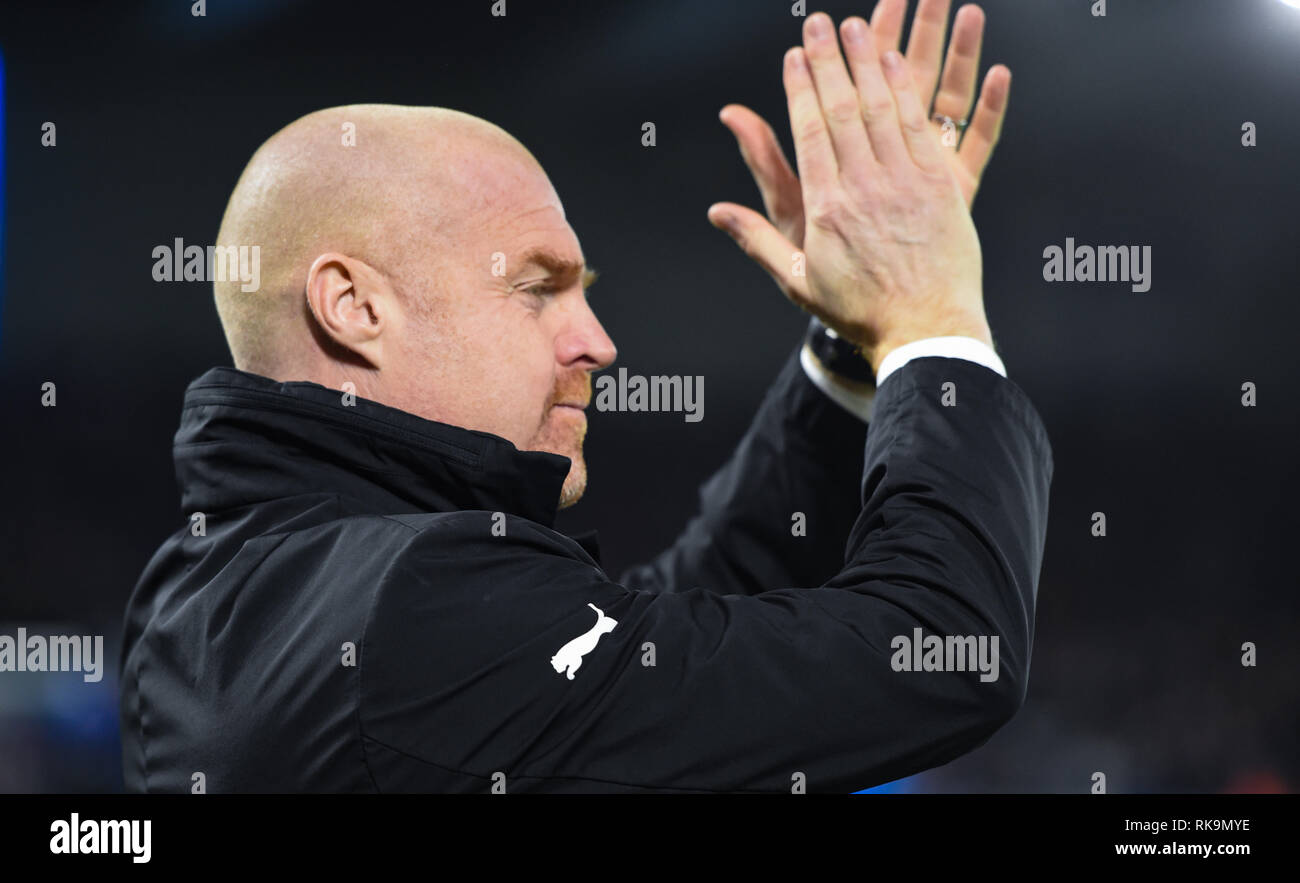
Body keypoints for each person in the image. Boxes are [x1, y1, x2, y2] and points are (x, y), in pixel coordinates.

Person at [119, 2, 1052, 793]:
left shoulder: (214, 588)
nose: (598, 343)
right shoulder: (414, 614)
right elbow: (940, 648)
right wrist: (933, 317)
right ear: (355, 306)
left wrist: (855, 349)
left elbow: (657, 650)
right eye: (538, 287)